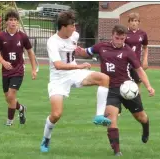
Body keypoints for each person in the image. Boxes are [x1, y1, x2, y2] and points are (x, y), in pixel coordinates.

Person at [75, 24, 155, 156]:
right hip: (109, 89)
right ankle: (117, 151)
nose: (119, 41)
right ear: (112, 36)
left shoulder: (128, 51)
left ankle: (146, 128)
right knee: (111, 118)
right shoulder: (101, 46)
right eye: (117, 38)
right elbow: (86, 52)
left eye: (122, 39)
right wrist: (78, 50)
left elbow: (139, 70)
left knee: (141, 117)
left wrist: (148, 86)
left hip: (127, 88)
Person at [40, 10, 111, 153]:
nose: (75, 29)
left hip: (74, 74)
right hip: (58, 79)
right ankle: (46, 138)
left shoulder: (75, 35)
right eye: (72, 26)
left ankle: (99, 115)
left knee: (104, 78)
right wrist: (78, 65)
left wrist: (80, 52)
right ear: (63, 26)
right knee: (56, 114)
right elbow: (58, 65)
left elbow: (75, 49)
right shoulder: (52, 42)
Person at [0, 9, 37, 126]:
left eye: (15, 20)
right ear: (6, 22)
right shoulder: (1, 36)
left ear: (17, 22)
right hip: (5, 72)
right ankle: (22, 108)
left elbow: (30, 52)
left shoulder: (22, 36)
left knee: (12, 95)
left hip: (18, 70)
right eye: (10, 20)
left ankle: (9, 122)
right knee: (8, 98)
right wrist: (3, 61)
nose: (13, 22)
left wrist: (33, 69)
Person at [125, 12, 149, 92]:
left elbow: (145, 47)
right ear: (129, 22)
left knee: (137, 85)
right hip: (125, 63)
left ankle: (138, 103)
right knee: (123, 84)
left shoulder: (143, 34)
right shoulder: (124, 33)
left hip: (136, 63)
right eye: (132, 21)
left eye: (136, 21)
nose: (134, 23)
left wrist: (145, 60)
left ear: (139, 22)